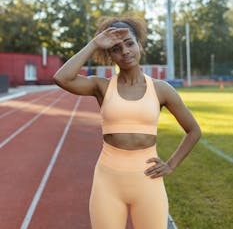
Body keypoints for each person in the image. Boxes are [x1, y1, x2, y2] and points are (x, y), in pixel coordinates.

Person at [53, 15, 201, 229]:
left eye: (130, 43)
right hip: (108, 182)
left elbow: (193, 130)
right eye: (116, 48)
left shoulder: (161, 89)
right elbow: (62, 78)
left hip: (148, 181)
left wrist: (170, 165)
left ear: (139, 44)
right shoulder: (101, 86)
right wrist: (94, 44)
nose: (125, 52)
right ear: (109, 54)